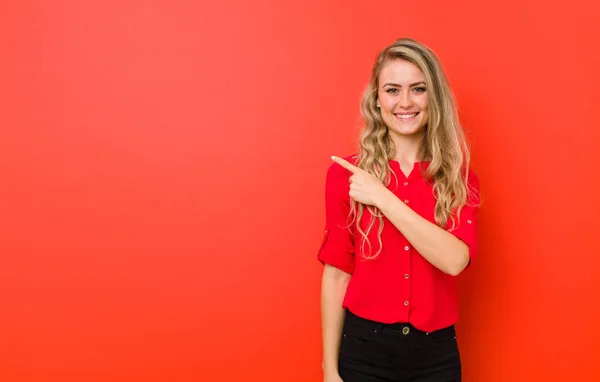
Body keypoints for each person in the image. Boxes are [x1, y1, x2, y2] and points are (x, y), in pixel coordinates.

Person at [318, 38, 481, 382]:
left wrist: (382, 197)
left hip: (435, 355)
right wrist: (329, 370)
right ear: (376, 100)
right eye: (392, 90)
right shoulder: (346, 176)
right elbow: (336, 274)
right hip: (364, 351)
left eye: (418, 89)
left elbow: (454, 260)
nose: (405, 102)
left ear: (433, 97)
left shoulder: (458, 179)